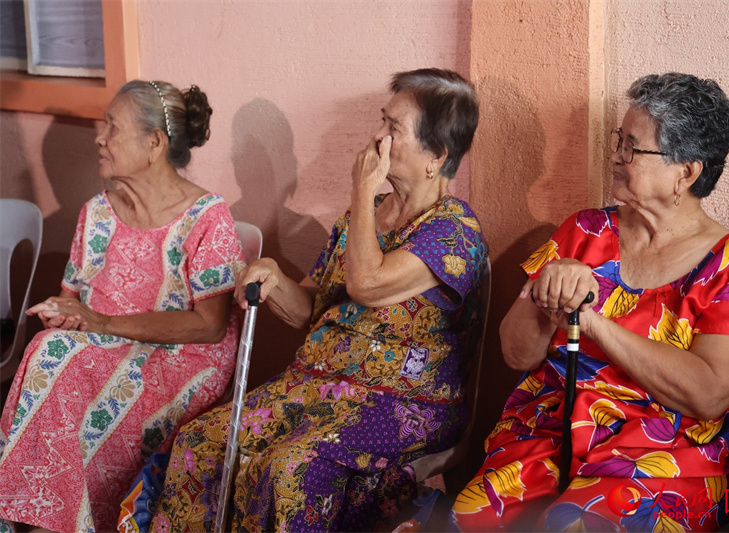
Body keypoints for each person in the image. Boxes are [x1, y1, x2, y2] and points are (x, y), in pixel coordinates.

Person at [147, 68, 487, 532]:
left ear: (437, 155)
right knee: (200, 441)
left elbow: (366, 283)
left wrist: (363, 188)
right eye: (382, 120)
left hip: (404, 402)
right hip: (316, 384)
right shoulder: (363, 218)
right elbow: (312, 307)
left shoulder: (454, 231)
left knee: (290, 468)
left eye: (394, 127)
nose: (378, 137)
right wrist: (275, 278)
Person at [451, 73, 729, 532]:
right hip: (554, 429)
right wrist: (548, 297)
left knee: (582, 525)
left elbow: (709, 395)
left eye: (632, 147)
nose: (615, 156)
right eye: (619, 140)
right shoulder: (584, 231)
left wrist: (591, 322)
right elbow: (515, 352)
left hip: (670, 452)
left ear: (686, 173)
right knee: (472, 518)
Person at [0, 80, 245, 533]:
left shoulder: (208, 216)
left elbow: (210, 326)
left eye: (112, 127)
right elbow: (73, 298)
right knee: (49, 349)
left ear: (154, 143)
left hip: (181, 363)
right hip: (100, 349)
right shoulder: (96, 212)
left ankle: (40, 520)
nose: (100, 138)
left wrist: (100, 322)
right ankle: (47, 519)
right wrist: (64, 312)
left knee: (54, 359)